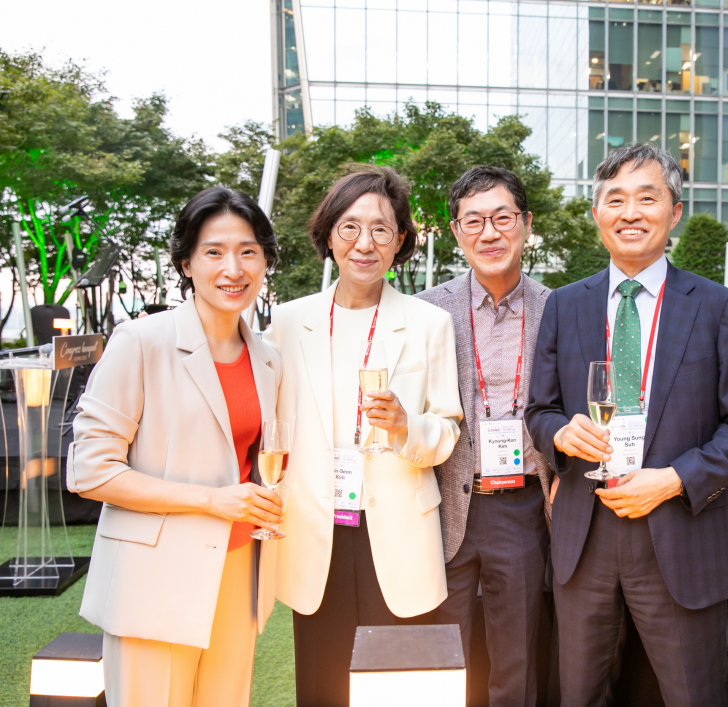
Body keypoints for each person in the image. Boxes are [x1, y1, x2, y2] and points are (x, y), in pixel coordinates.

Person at [525, 143, 728, 707]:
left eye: (647, 197)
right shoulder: (564, 305)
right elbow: (539, 410)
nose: (630, 213)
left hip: (681, 531)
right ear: (597, 214)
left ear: (674, 211)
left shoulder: (718, 306)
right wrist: (559, 433)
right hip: (586, 535)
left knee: (694, 695)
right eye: (615, 200)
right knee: (579, 694)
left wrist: (675, 479)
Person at [67, 187, 283, 706]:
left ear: (265, 261)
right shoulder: (140, 341)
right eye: (214, 252)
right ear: (186, 263)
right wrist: (212, 500)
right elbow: (91, 471)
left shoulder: (268, 358)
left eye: (248, 252)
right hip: (153, 580)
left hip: (240, 570)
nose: (234, 268)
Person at [263, 164, 463, 707]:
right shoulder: (287, 322)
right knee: (323, 683)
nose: (364, 243)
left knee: (397, 685)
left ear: (400, 241)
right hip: (315, 529)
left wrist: (405, 426)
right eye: (349, 227)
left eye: (381, 229)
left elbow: (447, 431)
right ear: (328, 235)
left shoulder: (429, 323)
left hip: (397, 530)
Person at [416, 166, 552, 706]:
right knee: (440, 659)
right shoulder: (427, 311)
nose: (489, 233)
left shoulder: (557, 308)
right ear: (456, 231)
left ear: (526, 224)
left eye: (502, 218)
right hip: (443, 502)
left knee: (516, 661)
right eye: (474, 221)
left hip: (521, 507)